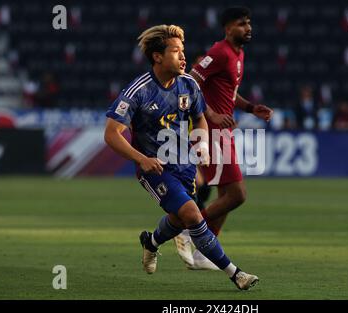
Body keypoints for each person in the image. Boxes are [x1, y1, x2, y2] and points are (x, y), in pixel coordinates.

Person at [104, 24, 258, 290]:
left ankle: (151, 242)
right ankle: (236, 274)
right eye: (176, 51)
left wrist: (202, 145)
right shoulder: (138, 91)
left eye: (183, 50)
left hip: (183, 164)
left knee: (179, 218)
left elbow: (199, 118)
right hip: (154, 168)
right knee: (192, 214)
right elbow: (111, 133)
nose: (183, 56)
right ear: (157, 57)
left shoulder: (188, 85)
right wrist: (141, 159)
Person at [174, 7, 273, 270]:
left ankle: (203, 254)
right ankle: (187, 231)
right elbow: (189, 82)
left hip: (222, 131)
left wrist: (251, 107)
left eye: (249, 23)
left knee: (225, 195)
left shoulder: (239, 54)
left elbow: (229, 94)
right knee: (238, 195)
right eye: (242, 24)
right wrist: (211, 114)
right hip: (210, 131)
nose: (248, 27)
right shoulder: (219, 52)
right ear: (228, 28)